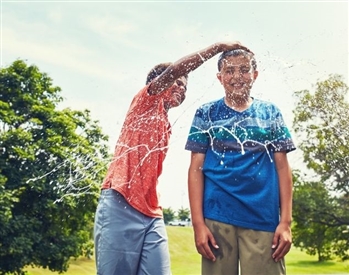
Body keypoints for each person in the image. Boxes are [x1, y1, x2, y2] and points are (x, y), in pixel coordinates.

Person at [93, 42, 252, 275]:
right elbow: (175, 70)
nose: (182, 88)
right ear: (159, 83)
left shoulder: (165, 122)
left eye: (185, 86)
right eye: (177, 82)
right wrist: (218, 47)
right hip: (120, 201)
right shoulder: (145, 103)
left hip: (151, 212)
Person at [185, 49, 296, 275]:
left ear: (255, 74)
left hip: (263, 217)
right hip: (217, 216)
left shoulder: (270, 113)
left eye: (244, 70)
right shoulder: (206, 113)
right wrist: (198, 224)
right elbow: (195, 168)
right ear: (220, 77)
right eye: (230, 71)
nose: (237, 76)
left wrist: (285, 222)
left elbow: (283, 167)